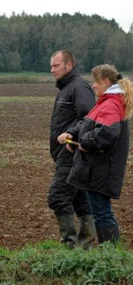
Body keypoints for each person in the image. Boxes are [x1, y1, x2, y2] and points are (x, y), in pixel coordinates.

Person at [58, 64, 132, 244]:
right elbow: (87, 122)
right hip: (97, 169)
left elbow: (107, 132)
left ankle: (111, 254)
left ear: (106, 82)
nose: (93, 86)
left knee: (102, 213)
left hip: (101, 170)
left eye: (96, 82)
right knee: (99, 212)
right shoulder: (105, 102)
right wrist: (73, 134)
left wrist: (85, 142)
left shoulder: (112, 104)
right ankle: (107, 253)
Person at [48, 50, 96, 248]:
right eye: (51, 66)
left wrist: (72, 136)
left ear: (69, 66)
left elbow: (90, 117)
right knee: (81, 200)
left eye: (56, 66)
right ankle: (87, 247)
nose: (52, 70)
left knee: (58, 196)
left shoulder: (78, 87)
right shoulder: (67, 88)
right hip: (66, 154)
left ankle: (69, 246)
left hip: (72, 153)